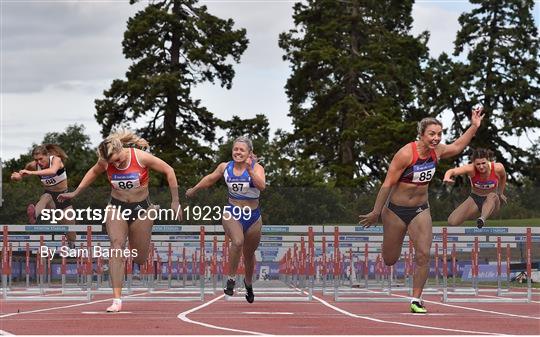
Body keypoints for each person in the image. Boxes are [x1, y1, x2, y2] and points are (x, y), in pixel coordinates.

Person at [359, 107, 484, 313]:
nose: (436, 138)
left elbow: (457, 146)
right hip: (395, 211)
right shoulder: (406, 154)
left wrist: (474, 126)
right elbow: (387, 184)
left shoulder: (437, 151)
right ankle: (395, 242)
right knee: (390, 260)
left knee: (424, 255)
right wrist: (376, 212)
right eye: (431, 134)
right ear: (421, 134)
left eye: (439, 134)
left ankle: (416, 299)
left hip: (420, 209)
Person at [58, 130, 182, 312]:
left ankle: (152, 212)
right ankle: (117, 299)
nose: (115, 164)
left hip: (142, 209)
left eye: (117, 160)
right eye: (111, 162)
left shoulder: (140, 157)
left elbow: (169, 170)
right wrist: (75, 193)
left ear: (121, 149)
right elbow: (93, 172)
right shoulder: (105, 161)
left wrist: (175, 201)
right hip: (116, 207)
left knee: (139, 258)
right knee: (116, 246)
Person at [186, 136, 265, 303]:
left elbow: (262, 186)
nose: (237, 152)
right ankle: (231, 278)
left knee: (249, 254)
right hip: (232, 211)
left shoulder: (257, 168)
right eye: (235, 149)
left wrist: (250, 171)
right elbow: (210, 178)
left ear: (249, 153)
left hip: (253, 215)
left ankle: (248, 284)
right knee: (237, 241)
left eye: (241, 150)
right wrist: (194, 189)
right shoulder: (225, 167)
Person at [10, 144, 76, 247]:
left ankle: (71, 242)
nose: (39, 162)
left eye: (41, 159)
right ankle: (34, 215)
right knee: (46, 197)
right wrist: (18, 176)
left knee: (72, 235)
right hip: (50, 197)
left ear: (47, 155)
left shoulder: (56, 160)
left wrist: (31, 173)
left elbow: (52, 171)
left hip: (64, 198)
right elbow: (23, 173)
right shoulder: (33, 165)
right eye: (36, 160)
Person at [444, 148, 507, 228]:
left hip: (492, 200)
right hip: (475, 198)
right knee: (452, 222)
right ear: (474, 163)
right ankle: (478, 214)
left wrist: (501, 192)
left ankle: (482, 219)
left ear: (488, 160)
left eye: (483, 163)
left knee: (492, 195)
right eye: (478, 164)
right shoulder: (471, 169)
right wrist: (447, 177)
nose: (481, 167)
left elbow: (503, 176)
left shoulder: (498, 167)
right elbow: (452, 171)